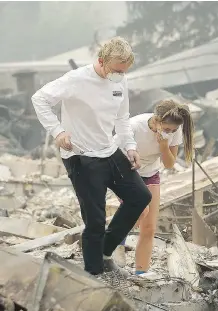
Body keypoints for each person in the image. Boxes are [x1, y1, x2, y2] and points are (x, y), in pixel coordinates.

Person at [31, 37, 152, 276]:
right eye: (116, 70)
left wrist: (130, 147)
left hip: (109, 150)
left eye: (124, 71)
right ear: (101, 61)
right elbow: (40, 99)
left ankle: (105, 249)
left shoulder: (120, 81)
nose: (120, 74)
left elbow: (122, 117)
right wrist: (58, 131)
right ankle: (93, 273)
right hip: (81, 155)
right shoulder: (76, 80)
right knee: (95, 220)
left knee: (140, 196)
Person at [115, 99, 194, 276]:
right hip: (125, 172)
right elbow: (113, 154)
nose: (170, 132)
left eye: (173, 130)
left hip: (150, 172)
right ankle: (116, 243)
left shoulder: (174, 131)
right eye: (166, 129)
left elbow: (169, 164)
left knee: (149, 226)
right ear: (156, 120)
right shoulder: (134, 126)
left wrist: (164, 145)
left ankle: (141, 273)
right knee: (139, 211)